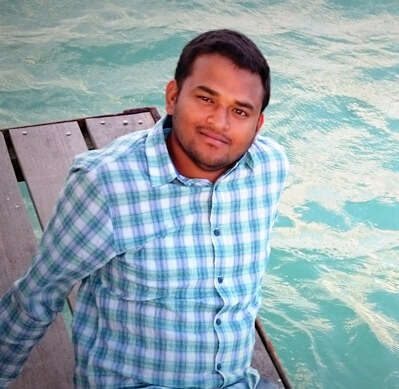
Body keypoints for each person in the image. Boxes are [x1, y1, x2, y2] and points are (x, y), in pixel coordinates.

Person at [0, 29, 288, 389]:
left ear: (257, 124)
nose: (220, 122)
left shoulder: (269, 169)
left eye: (240, 110)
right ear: (173, 96)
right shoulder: (106, 185)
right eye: (206, 99)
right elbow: (36, 296)